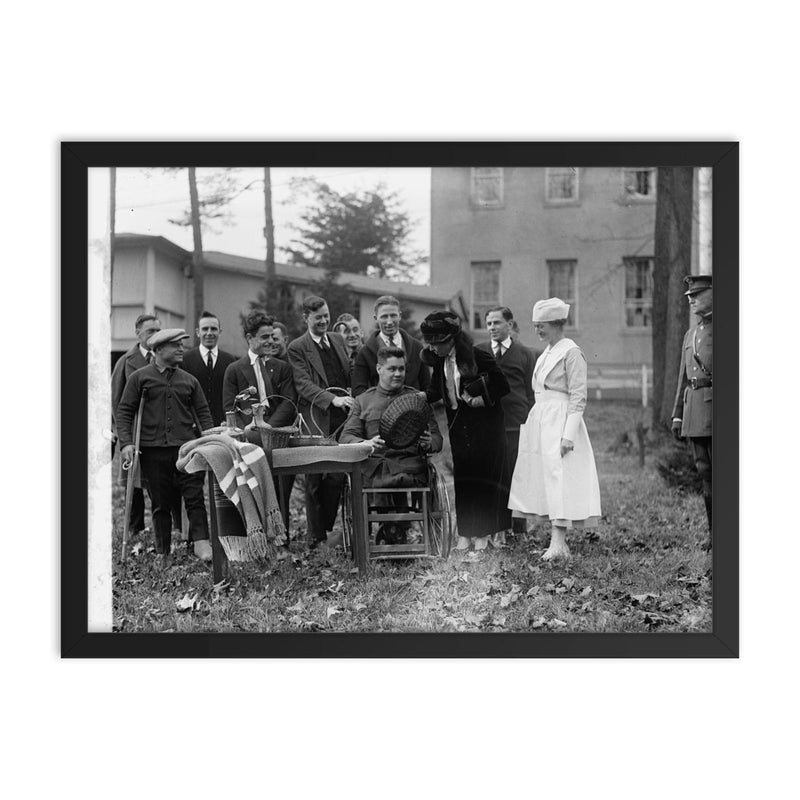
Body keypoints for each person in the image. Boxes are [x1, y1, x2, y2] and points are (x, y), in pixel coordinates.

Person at [508, 298, 601, 561]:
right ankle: (556, 541)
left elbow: (578, 396)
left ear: (557, 324)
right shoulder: (546, 352)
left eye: (542, 325)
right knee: (543, 478)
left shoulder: (571, 352)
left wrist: (568, 434)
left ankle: (559, 542)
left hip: (561, 420)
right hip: (542, 417)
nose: (537, 330)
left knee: (559, 477)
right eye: (536, 325)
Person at [116, 329, 214, 566]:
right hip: (153, 450)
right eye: (175, 346)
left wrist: (210, 441)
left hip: (187, 450)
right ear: (158, 350)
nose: (181, 349)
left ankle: (201, 541)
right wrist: (127, 443)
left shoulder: (189, 381)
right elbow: (124, 412)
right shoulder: (140, 378)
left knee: (194, 496)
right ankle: (163, 551)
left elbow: (203, 414)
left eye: (181, 345)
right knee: (160, 502)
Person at [420, 310, 509, 553]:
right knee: (464, 479)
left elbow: (503, 385)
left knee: (483, 479)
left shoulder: (478, 356)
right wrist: (421, 396)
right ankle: (465, 533)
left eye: (437, 343)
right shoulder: (439, 360)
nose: (433, 348)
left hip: (485, 427)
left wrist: (483, 400)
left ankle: (483, 533)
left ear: (451, 340)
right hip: (458, 426)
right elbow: (437, 390)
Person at [340, 347, 443, 543]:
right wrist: (366, 443)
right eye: (392, 369)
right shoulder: (363, 401)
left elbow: (438, 439)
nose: (398, 374)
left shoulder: (417, 399)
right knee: (377, 476)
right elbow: (346, 437)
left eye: (402, 369)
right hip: (375, 466)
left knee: (400, 476)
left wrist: (429, 443)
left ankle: (398, 529)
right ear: (379, 369)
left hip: (409, 465)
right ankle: (392, 530)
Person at [287, 295, 355, 548]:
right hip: (316, 418)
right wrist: (332, 399)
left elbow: (346, 371)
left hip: (344, 418)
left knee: (337, 476)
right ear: (306, 318)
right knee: (315, 479)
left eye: (326, 316)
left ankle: (325, 530)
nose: (324, 321)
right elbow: (303, 384)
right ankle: (316, 538)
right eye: (318, 318)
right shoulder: (297, 347)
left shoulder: (337, 339)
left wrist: (350, 394)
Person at [223, 311, 298, 530]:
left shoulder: (282, 368)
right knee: (250, 487)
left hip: (278, 438)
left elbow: (288, 401)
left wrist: (268, 428)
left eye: (272, 336)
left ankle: (281, 538)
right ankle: (254, 535)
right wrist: (248, 428)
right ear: (249, 338)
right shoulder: (235, 370)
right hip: (247, 441)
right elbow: (230, 407)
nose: (270, 341)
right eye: (264, 337)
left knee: (280, 490)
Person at [476, 306, 538, 544]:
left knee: (516, 476)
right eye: (489, 323)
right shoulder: (480, 352)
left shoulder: (525, 353)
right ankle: (495, 528)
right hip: (489, 426)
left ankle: (519, 529)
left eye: (497, 323)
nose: (492, 328)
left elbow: (531, 392)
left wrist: (528, 419)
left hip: (516, 425)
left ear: (509, 325)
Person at [111, 314, 162, 536]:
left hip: (158, 431)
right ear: (138, 333)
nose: (154, 335)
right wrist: (125, 437)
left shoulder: (163, 359)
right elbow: (116, 401)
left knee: (158, 482)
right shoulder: (125, 361)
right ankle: (134, 528)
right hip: (135, 432)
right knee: (135, 483)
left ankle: (163, 529)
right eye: (150, 331)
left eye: (157, 330)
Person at [671, 274, 713, 537]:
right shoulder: (691, 333)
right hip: (695, 409)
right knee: (705, 471)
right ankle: (713, 533)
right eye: (689, 297)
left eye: (696, 295)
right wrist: (677, 415)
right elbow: (683, 378)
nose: (691, 301)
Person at [352, 295, 430, 397]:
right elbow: (358, 390)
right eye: (384, 317)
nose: (389, 322)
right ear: (376, 318)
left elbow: (427, 386)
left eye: (393, 315)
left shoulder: (417, 347)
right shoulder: (365, 352)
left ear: (400, 316)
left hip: (413, 408)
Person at [180, 310, 237, 426]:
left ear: (220, 332)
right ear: (197, 332)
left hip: (223, 425)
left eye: (214, 329)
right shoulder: (185, 360)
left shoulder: (230, 360)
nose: (209, 333)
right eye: (205, 329)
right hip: (194, 425)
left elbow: (233, 396)